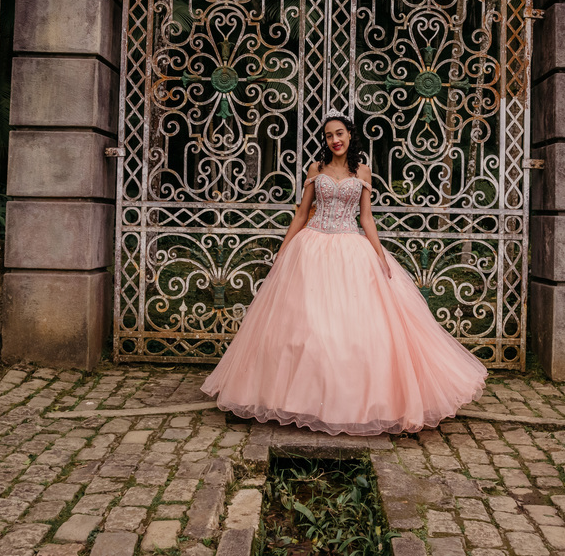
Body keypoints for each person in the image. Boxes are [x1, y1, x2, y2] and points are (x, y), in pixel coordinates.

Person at [201, 113, 488, 435]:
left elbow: (366, 218)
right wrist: (283, 250)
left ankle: (350, 402)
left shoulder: (363, 171)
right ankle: (298, 400)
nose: (334, 140)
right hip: (311, 246)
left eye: (339, 134)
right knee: (306, 326)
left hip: (351, 248)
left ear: (350, 136)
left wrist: (380, 256)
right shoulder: (316, 170)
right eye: (328, 136)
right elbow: (301, 212)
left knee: (354, 329)